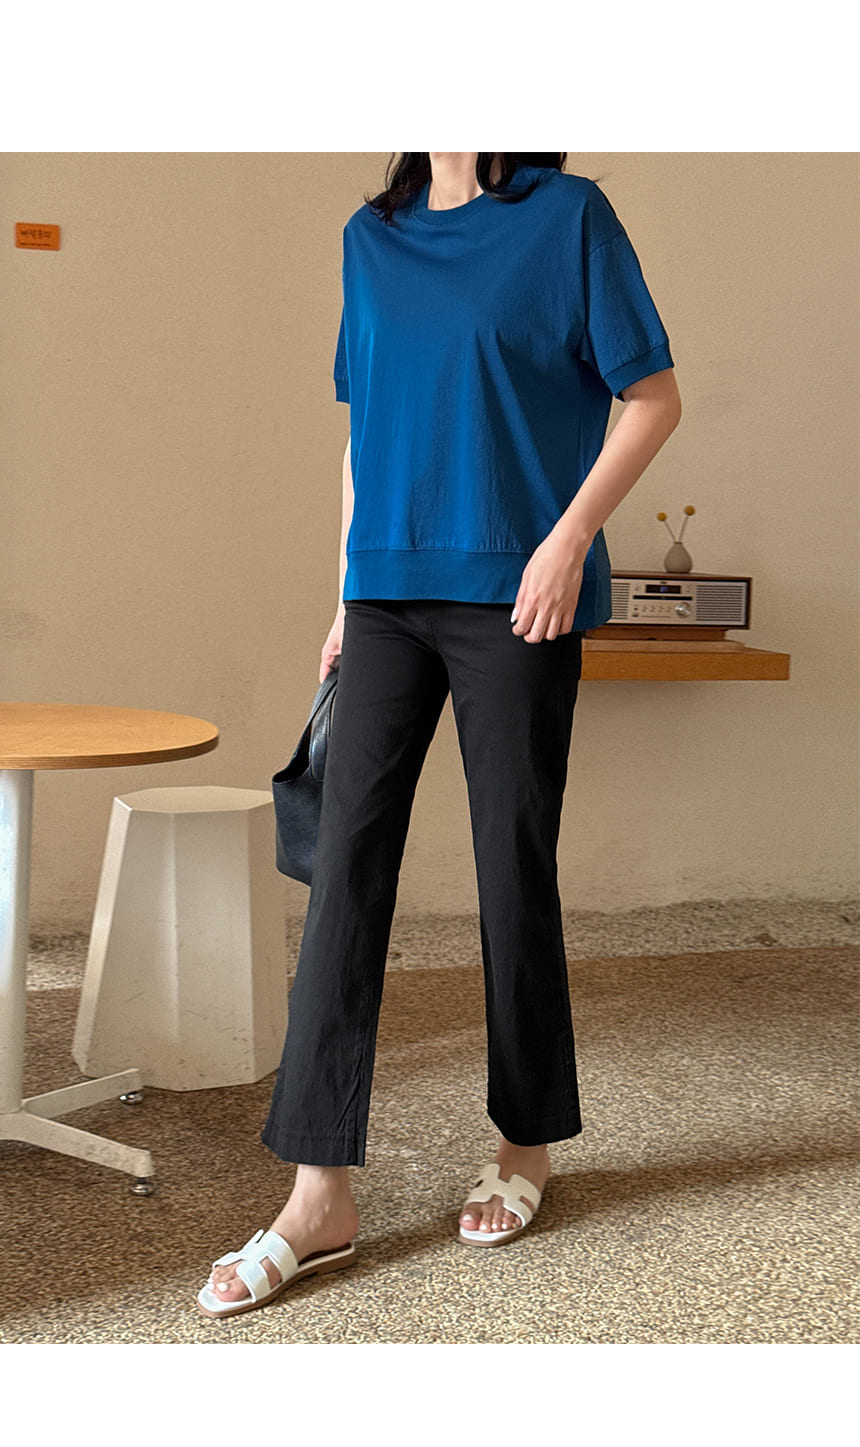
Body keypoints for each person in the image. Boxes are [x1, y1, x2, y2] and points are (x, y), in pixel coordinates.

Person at [197, 152, 682, 1319]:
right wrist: (342, 593)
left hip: (517, 590)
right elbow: (366, 432)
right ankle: (318, 1193)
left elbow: (652, 396)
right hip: (383, 594)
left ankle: (524, 1144)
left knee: (511, 863)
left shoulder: (565, 218)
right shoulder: (370, 238)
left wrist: (567, 540)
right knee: (343, 869)